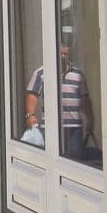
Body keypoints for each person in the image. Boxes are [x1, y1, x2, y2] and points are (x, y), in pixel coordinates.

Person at [23, 30, 92, 158]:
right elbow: (32, 94)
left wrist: (90, 120)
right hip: (50, 127)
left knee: (75, 163)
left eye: (66, 46)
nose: (63, 50)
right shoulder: (41, 73)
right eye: (60, 46)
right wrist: (30, 115)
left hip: (74, 128)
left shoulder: (78, 75)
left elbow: (85, 100)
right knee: (50, 159)